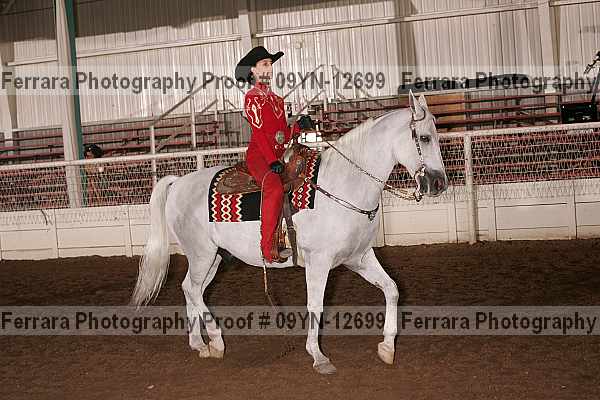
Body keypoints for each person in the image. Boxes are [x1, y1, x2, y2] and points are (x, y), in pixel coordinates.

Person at [235, 46, 315, 263]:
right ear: (253, 70)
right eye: (264, 64)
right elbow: (259, 133)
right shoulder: (252, 98)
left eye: (270, 64)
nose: (269, 68)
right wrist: (271, 160)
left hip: (277, 156)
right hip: (260, 156)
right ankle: (268, 246)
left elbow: (281, 136)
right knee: (274, 187)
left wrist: (297, 127)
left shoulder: (277, 99)